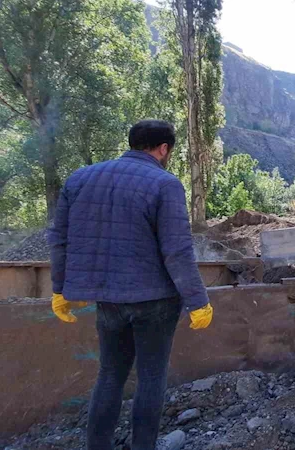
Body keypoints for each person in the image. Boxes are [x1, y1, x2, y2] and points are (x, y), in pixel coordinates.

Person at [47, 119, 214, 450]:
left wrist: (59, 289)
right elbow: (177, 250)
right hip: (155, 301)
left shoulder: (79, 179)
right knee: (151, 376)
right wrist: (198, 301)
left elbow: (59, 239)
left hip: (107, 298)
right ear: (163, 149)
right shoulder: (164, 184)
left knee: (109, 375)